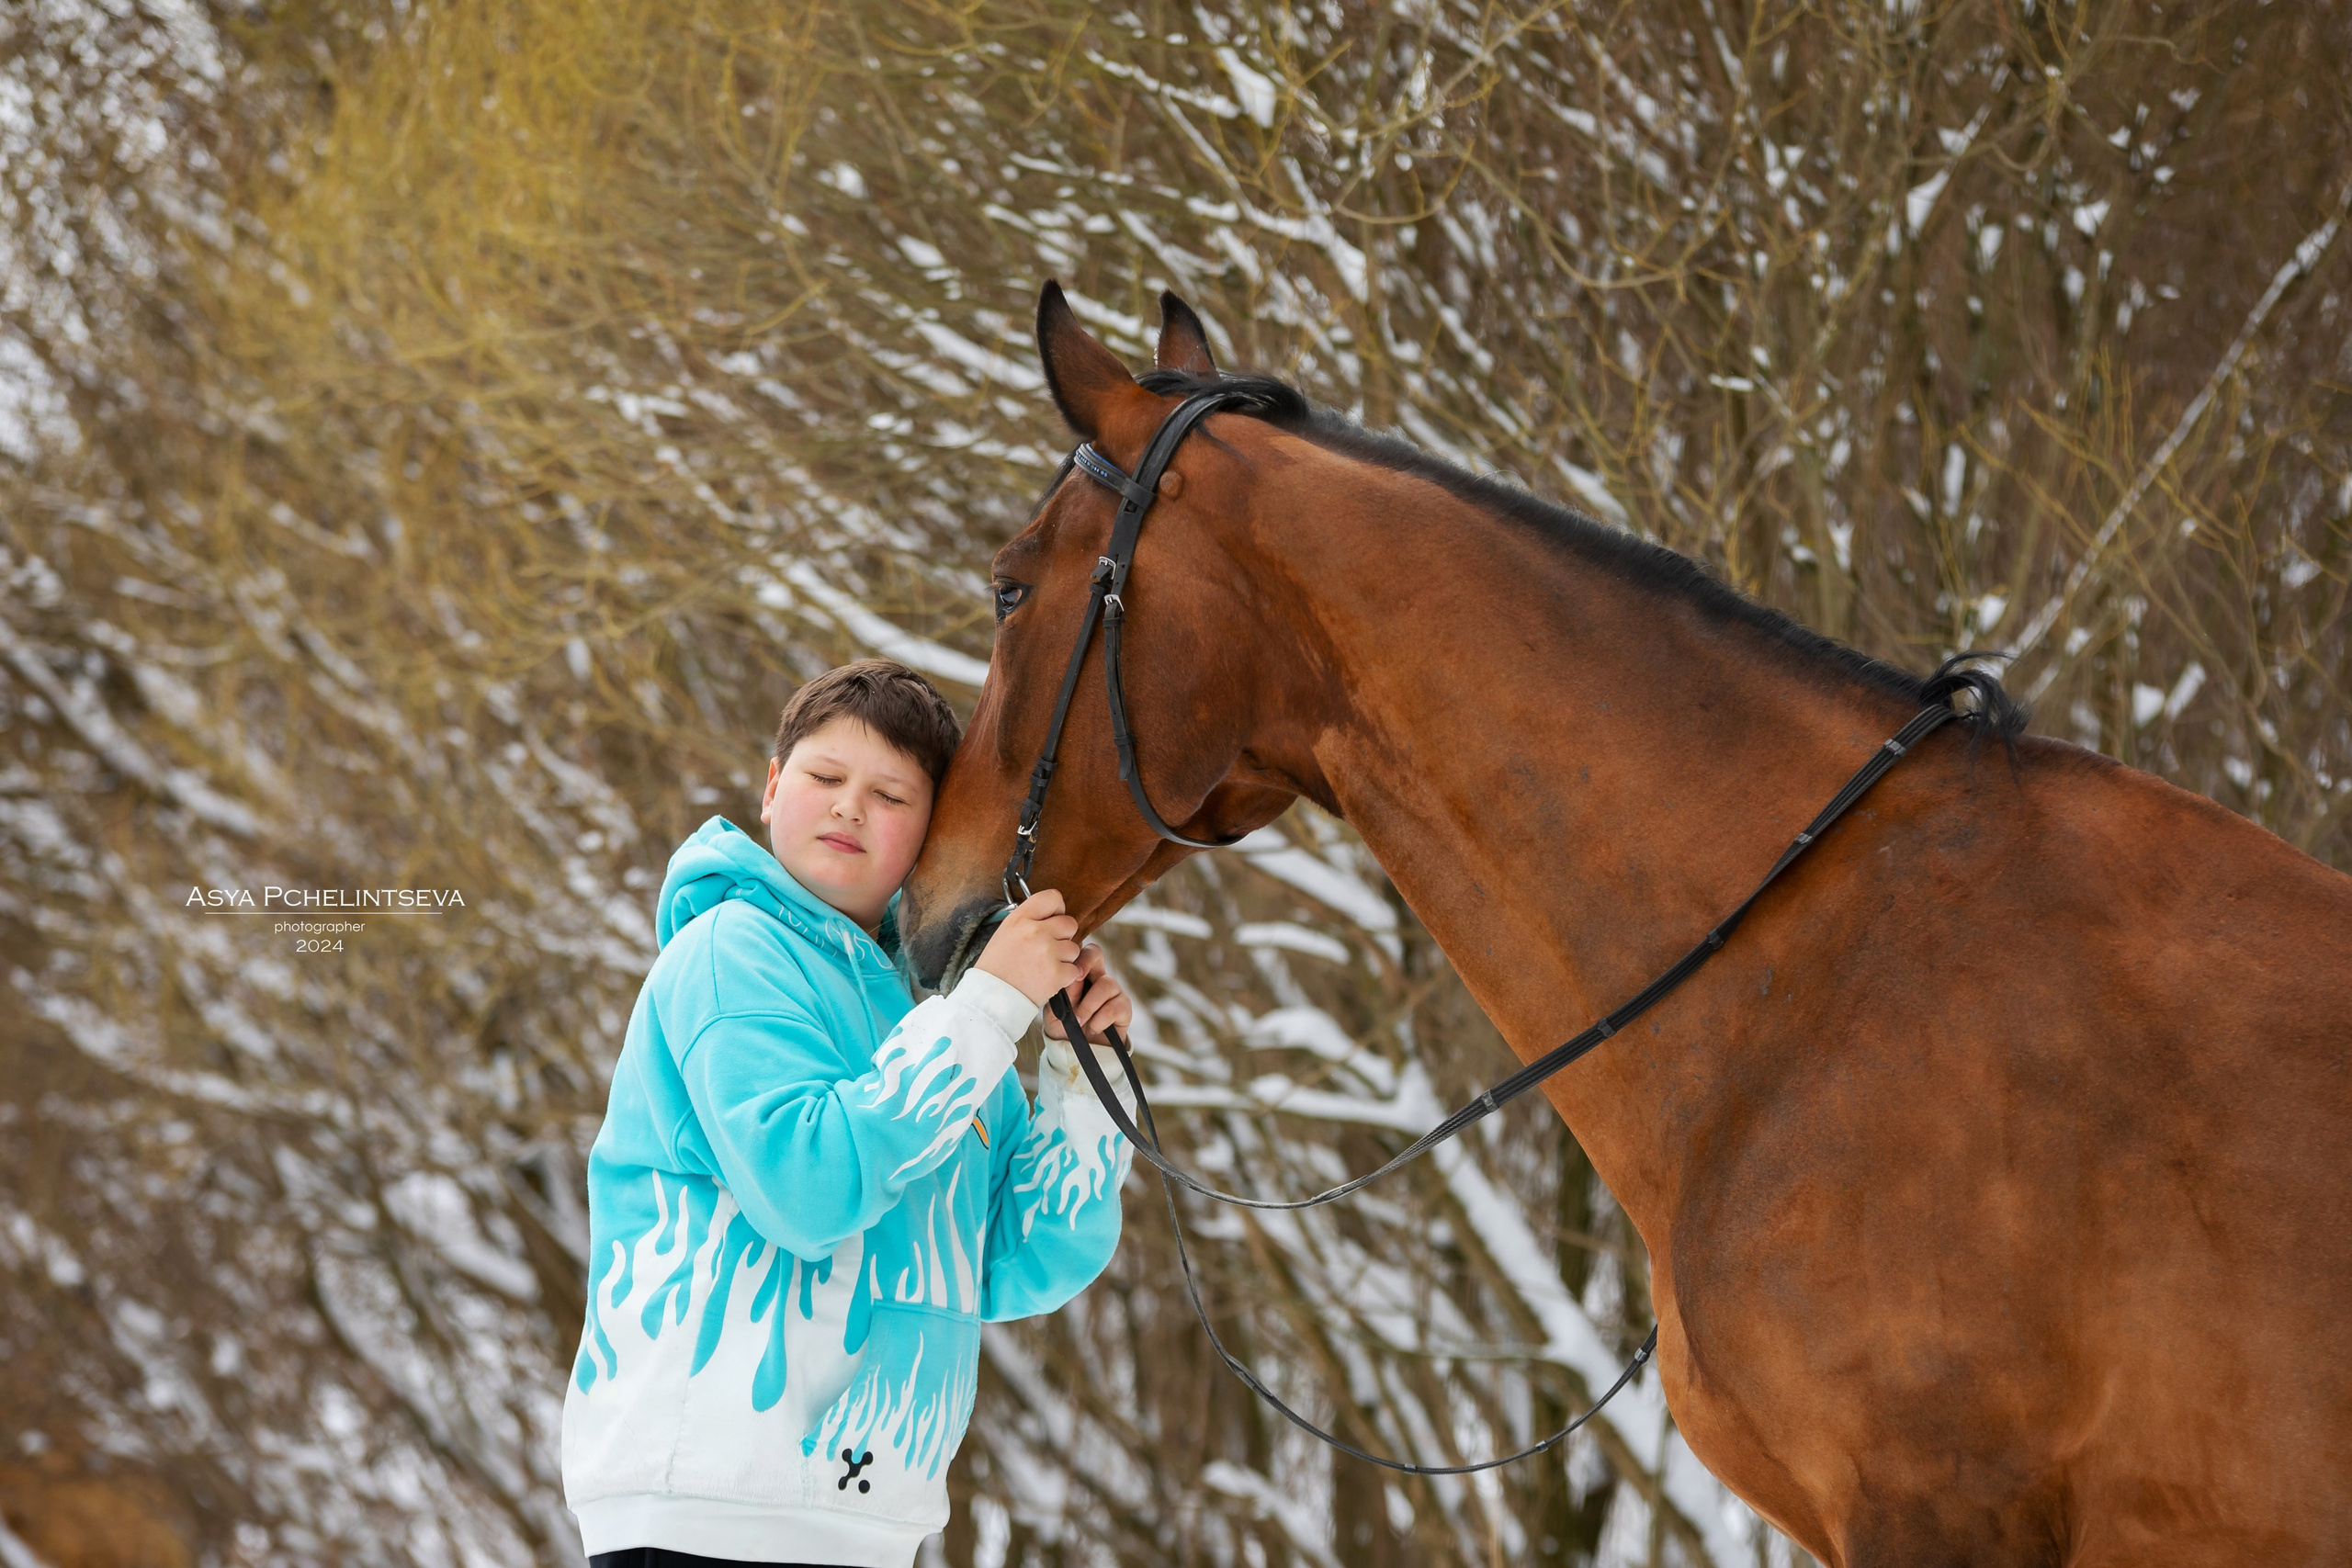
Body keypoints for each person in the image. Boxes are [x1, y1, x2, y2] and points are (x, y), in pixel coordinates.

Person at [560, 659, 1136, 1568]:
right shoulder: (730, 952)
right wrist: (989, 1006)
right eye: (825, 778)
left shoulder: (940, 1018)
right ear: (772, 788)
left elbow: (1019, 1263)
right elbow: (805, 1188)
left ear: (930, 836)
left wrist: (1080, 1073)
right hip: (705, 1513)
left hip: (871, 1521)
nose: (848, 808)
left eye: (890, 795)